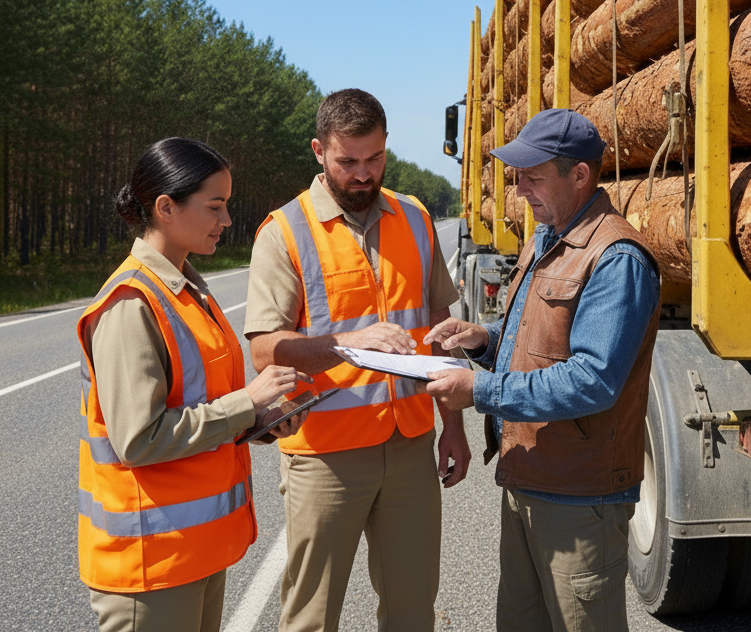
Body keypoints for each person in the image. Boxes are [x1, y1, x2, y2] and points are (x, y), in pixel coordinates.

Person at [423, 108, 662, 632]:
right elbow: (542, 343)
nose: (520, 190)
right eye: (517, 177)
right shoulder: (546, 236)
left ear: (579, 175)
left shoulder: (616, 257)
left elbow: (593, 380)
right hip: (530, 480)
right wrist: (484, 342)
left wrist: (480, 389)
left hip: (580, 497)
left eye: (533, 177)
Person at [244, 88, 471, 632]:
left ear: (387, 148)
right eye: (348, 161)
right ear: (319, 151)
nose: (363, 174)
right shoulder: (284, 231)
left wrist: (454, 429)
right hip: (326, 457)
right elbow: (262, 350)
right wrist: (347, 346)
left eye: (375, 159)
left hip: (411, 446)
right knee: (311, 618)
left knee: (412, 611)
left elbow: (439, 331)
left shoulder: (414, 217)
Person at [78, 137, 309, 632]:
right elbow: (139, 439)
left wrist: (261, 418)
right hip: (150, 567)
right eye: (215, 206)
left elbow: (202, 406)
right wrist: (248, 401)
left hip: (192, 553)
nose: (226, 220)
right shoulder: (131, 304)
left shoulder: (187, 291)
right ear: (165, 207)